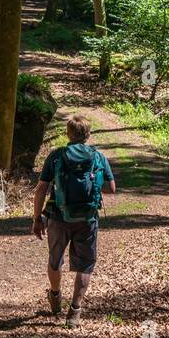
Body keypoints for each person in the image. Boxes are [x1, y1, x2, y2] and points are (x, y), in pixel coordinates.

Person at [32, 113, 116, 326]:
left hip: (58, 217)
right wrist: (91, 186)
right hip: (87, 219)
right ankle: (75, 312)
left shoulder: (57, 156)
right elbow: (111, 188)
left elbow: (41, 188)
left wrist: (37, 218)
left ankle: (56, 294)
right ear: (88, 135)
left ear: (67, 134)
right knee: (85, 265)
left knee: (55, 258)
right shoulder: (98, 157)